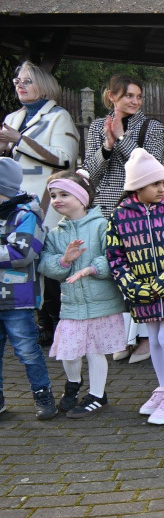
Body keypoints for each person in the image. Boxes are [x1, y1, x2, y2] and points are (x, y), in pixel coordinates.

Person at [107, 149, 164, 425]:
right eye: (155, 184)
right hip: (143, 293)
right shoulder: (119, 217)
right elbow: (115, 256)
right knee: (153, 338)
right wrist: (132, 286)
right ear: (137, 186)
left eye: (163, 183)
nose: (162, 189)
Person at [83, 75, 164, 364]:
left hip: (140, 210)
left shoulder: (151, 127)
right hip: (106, 209)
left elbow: (152, 168)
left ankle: (144, 338)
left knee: (142, 271)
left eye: (138, 96)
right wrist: (106, 146)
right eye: (128, 95)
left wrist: (121, 138)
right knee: (114, 274)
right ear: (111, 97)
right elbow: (90, 173)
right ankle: (122, 337)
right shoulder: (96, 127)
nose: (134, 101)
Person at [1, 61, 80, 346]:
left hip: (46, 207)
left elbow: (65, 158)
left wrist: (19, 139)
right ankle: (22, 323)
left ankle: (54, 323)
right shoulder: (12, 117)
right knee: (15, 263)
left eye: (27, 81)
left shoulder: (59, 118)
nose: (20, 85)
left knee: (48, 264)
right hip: (12, 208)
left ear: (44, 85)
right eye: (17, 81)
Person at [39, 171, 125, 419]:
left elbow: (113, 256)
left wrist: (91, 268)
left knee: (94, 350)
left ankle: (98, 395)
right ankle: (74, 383)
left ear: (82, 197)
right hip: (72, 304)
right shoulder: (55, 233)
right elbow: (46, 265)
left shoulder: (102, 224)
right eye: (53, 195)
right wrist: (64, 261)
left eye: (64, 194)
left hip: (101, 303)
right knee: (69, 348)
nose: (56, 199)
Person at [0, 157, 56, 420]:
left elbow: (22, 253)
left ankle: (43, 394)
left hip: (17, 300)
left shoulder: (27, 215)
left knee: (27, 351)